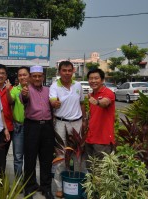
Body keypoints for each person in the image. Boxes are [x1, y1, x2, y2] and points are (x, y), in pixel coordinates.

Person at [49, 61, 87, 198]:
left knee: (78, 154)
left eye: (69, 70)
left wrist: (84, 120)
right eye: (64, 70)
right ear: (59, 72)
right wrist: (55, 103)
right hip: (61, 124)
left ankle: (78, 183)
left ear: (73, 71)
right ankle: (59, 186)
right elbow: (52, 101)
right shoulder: (54, 86)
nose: (66, 73)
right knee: (60, 156)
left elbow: (82, 103)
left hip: (77, 123)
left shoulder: (78, 85)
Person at [20, 65, 54, 199]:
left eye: (40, 76)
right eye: (34, 76)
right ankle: (29, 186)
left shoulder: (49, 90)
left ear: (43, 77)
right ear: (30, 77)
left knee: (46, 159)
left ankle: (46, 187)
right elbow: (25, 99)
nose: (37, 78)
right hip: (32, 126)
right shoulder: (25, 90)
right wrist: (25, 95)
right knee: (30, 158)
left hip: (47, 127)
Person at [85, 68, 115, 170]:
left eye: (96, 78)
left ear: (102, 80)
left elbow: (105, 102)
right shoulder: (92, 95)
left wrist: (98, 102)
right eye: (91, 78)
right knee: (91, 170)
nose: (93, 81)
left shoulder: (108, 93)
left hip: (102, 140)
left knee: (101, 171)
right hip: (90, 138)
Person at [6, 66, 30, 177]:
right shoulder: (15, 89)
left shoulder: (34, 89)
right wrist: (7, 90)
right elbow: (10, 101)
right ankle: (18, 182)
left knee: (31, 155)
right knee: (18, 156)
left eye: (24, 74)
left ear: (29, 75)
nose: (22, 77)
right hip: (19, 127)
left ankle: (29, 182)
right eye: (20, 75)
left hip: (32, 126)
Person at [0, 64, 14, 160]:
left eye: (3, 73)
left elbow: (12, 102)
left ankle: (1, 174)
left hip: (8, 127)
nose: (1, 75)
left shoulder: (12, 89)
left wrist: (8, 90)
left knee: (3, 156)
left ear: (6, 76)